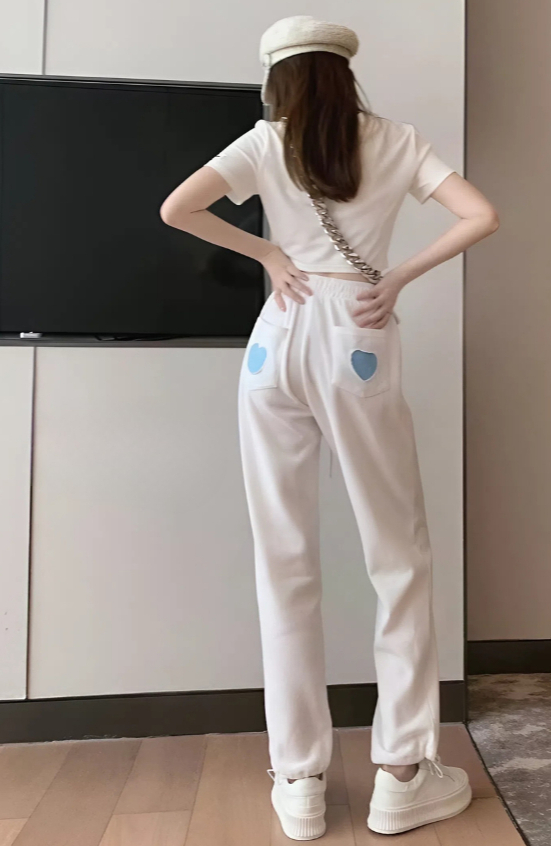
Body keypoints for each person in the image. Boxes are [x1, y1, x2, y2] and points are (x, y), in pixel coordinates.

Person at [161, 14, 499, 841]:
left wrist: (270, 256)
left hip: (275, 336)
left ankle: (300, 780)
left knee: (282, 560)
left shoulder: (263, 141)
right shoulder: (395, 139)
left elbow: (178, 208)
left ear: (276, 78)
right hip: (358, 333)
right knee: (398, 556)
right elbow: (480, 215)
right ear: (344, 73)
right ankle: (403, 773)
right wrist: (401, 275)